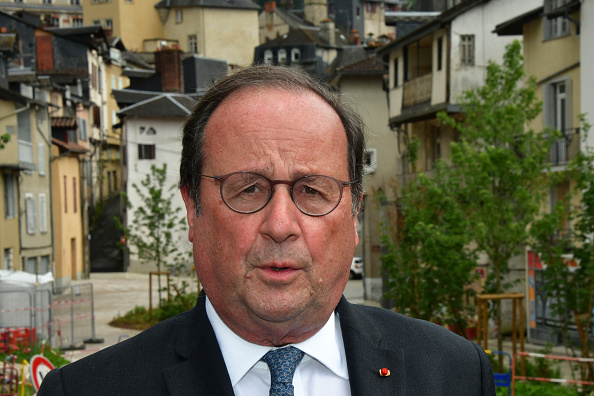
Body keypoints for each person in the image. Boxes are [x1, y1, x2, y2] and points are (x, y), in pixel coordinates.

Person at [38, 65, 495, 395]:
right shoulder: (85, 389)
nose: (280, 226)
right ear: (192, 208)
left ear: (354, 214)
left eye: (312, 191)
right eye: (249, 189)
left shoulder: (454, 376)